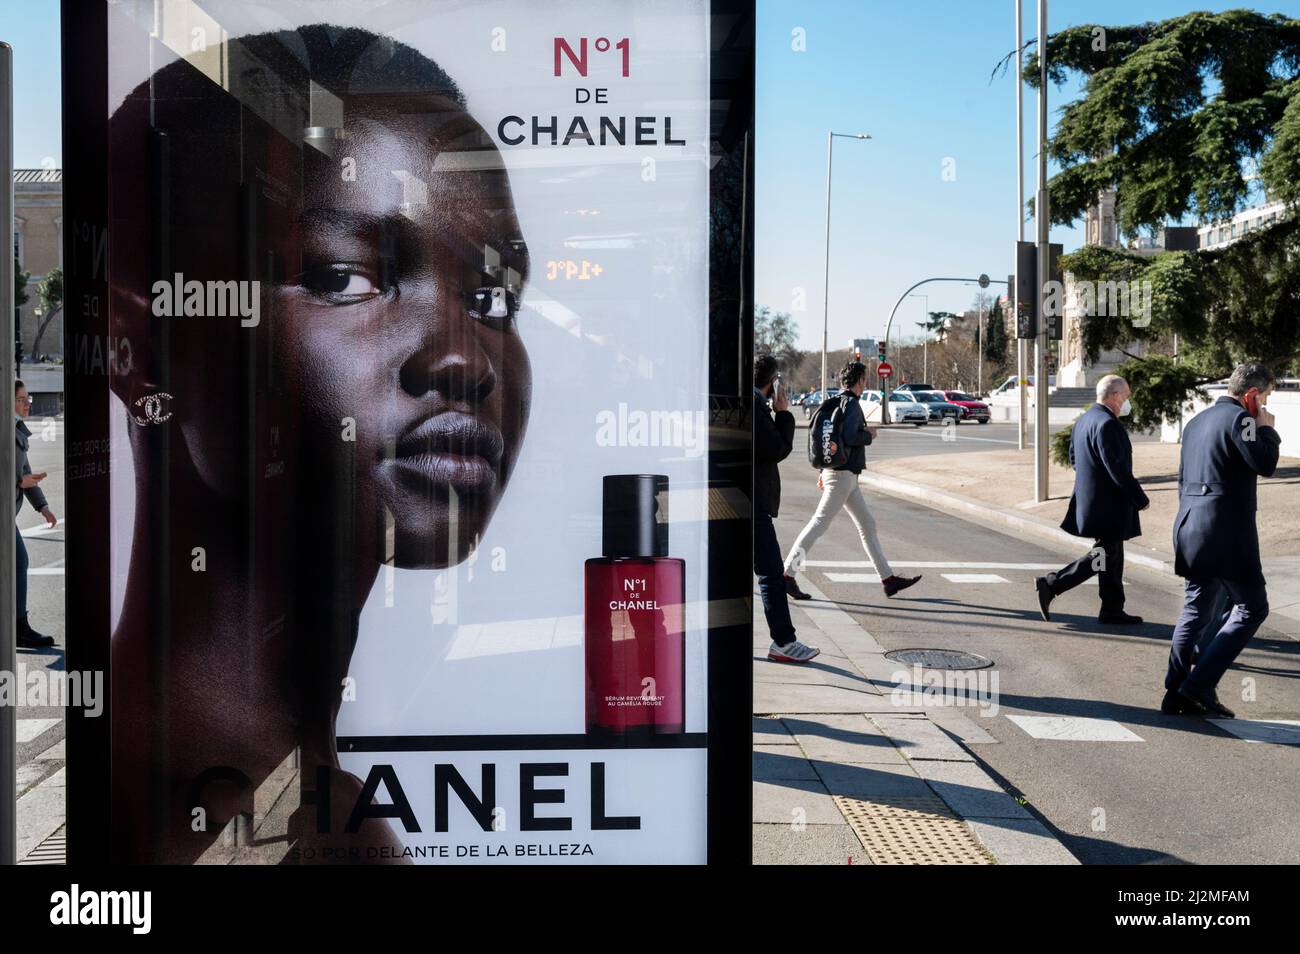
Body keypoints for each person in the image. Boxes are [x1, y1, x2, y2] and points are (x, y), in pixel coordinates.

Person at [106, 25, 531, 862]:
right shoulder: (236, 829)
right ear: (139, 350)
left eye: (491, 299)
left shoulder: (297, 803)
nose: (462, 357)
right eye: (343, 277)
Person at [1163, 362, 1280, 717]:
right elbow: (1265, 462)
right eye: (1266, 398)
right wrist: (1268, 431)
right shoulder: (1242, 419)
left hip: (1190, 526)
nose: (1266, 406)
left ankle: (1174, 692)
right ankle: (1198, 686)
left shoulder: (1197, 422)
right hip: (1226, 532)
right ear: (1252, 396)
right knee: (1252, 608)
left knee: (1195, 610)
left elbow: (1184, 479)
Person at [783, 361, 920, 598]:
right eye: (865, 379)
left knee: (868, 526)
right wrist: (869, 434)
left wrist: (822, 472)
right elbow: (849, 437)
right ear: (859, 381)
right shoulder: (853, 405)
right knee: (818, 524)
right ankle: (787, 576)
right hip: (843, 476)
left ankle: (888, 579)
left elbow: (829, 439)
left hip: (841, 475)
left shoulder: (834, 403)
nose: (866, 383)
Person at [1035, 374, 1147, 626]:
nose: (1127, 402)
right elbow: (1117, 467)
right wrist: (1139, 498)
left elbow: (1075, 459)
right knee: (1105, 555)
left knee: (1111, 556)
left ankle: (1112, 608)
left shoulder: (1085, 420)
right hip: (1108, 505)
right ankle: (1053, 583)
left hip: (1094, 501)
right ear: (1115, 395)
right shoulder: (1107, 424)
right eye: (1126, 396)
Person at [752, 354, 819, 663]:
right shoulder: (755, 408)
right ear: (772, 382)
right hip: (751, 504)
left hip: (735, 502)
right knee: (770, 574)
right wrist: (784, 413)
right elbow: (777, 448)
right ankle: (783, 642)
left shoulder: (745, 403)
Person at [14, 380, 57, 649]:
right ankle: (19, 626)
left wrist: (43, 507)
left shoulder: (17, 429)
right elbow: (19, 476)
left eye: (28, 398)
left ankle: (17, 624)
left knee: (16, 564)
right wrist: (19, 482)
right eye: (21, 399)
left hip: (8, 513)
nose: (28, 403)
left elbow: (25, 470)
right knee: (19, 562)